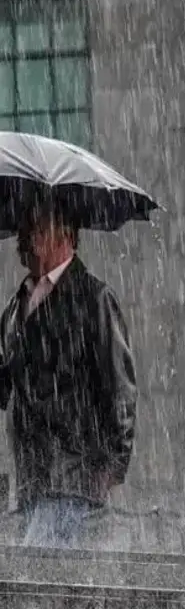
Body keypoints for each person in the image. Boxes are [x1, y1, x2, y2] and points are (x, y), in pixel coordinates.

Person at [0, 198, 137, 548]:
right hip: (31, 479)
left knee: (32, 579)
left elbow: (119, 386)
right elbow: (7, 385)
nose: (25, 239)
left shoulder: (94, 298)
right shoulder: (16, 307)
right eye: (23, 229)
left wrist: (111, 467)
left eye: (36, 229)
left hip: (73, 477)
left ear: (65, 235)